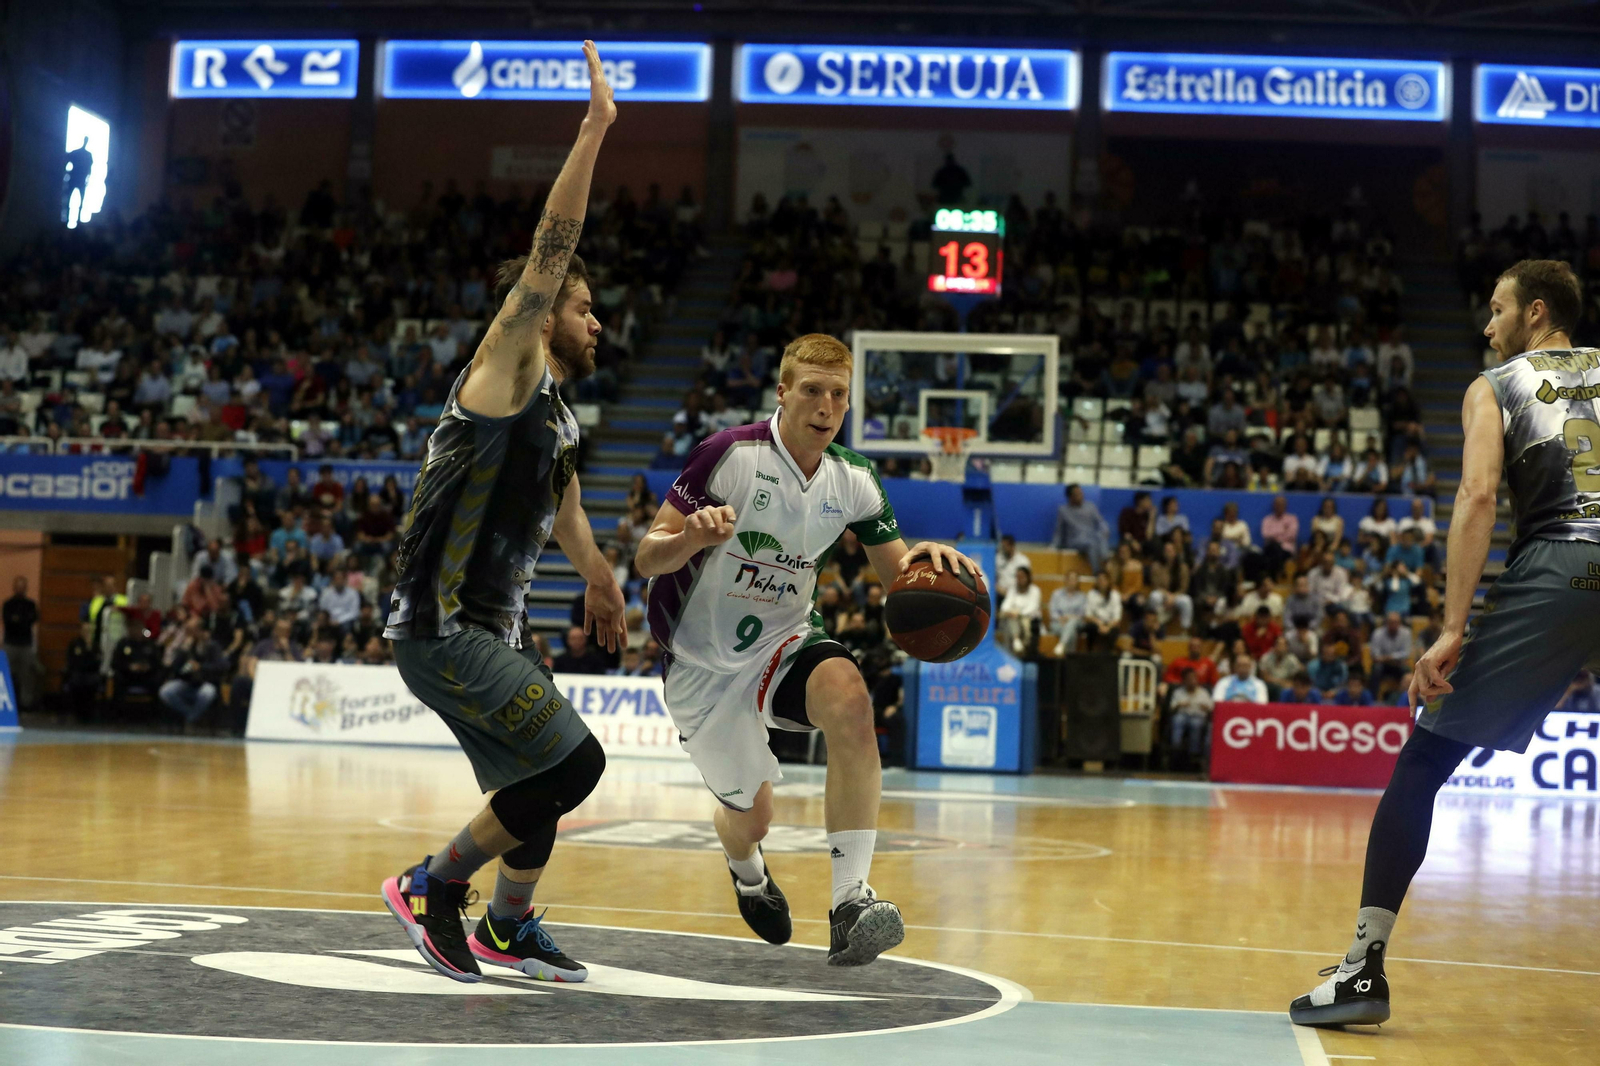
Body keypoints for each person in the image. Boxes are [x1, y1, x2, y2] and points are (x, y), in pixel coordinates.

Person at [1291, 260, 1600, 1027]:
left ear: (1535, 313)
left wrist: (1453, 625)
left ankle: (1363, 972)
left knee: (1425, 758)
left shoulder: (1495, 386)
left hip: (1565, 558)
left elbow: (1479, 495)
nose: (1486, 326)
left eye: (1496, 311)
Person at [380, 45, 626, 988]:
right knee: (575, 766)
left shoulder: (557, 412)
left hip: (497, 625)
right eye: (585, 307)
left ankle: (509, 926)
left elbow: (562, 503)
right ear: (540, 313)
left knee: (535, 787)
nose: (597, 321)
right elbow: (551, 245)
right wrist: (593, 133)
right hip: (442, 623)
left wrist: (599, 577)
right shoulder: (507, 363)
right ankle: (433, 886)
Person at [636, 331, 979, 967]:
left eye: (839, 396)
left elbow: (896, 580)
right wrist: (688, 539)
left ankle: (851, 901)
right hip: (702, 668)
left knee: (849, 696)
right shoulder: (728, 455)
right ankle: (748, 871)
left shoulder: (854, 480)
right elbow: (647, 553)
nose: (826, 406)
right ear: (784, 393)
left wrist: (930, 570)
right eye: (813, 392)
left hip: (784, 640)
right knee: (753, 818)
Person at [2, 576, 39, 713]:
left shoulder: (30, 604)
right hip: (10, 643)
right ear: (14, 587)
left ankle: (26, 704)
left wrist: (19, 620)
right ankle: (6, 703)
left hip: (25, 644)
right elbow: (9, 622)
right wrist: (21, 621)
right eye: (18, 586)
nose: (20, 588)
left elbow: (32, 620)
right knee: (6, 674)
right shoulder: (8, 604)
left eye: (23, 586)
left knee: (27, 675)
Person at [1053, 484, 1110, 573]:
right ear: (1070, 497)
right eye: (1077, 494)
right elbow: (1059, 531)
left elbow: (1101, 522)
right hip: (1074, 541)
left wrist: (1104, 529)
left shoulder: (1090, 506)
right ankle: (1097, 572)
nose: (1081, 496)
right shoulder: (1063, 510)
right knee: (1092, 544)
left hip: (1091, 537)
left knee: (1100, 535)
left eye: (1081, 493)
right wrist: (1054, 546)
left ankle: (1105, 559)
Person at [1166, 669, 1214, 767]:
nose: (1192, 681)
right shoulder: (1178, 692)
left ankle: (1194, 754)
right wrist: (1179, 705)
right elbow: (1171, 708)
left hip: (1198, 716)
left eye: (1194, 679)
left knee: (1195, 724)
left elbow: (1211, 709)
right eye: (1189, 679)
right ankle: (1176, 747)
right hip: (1182, 715)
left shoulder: (1203, 692)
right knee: (1177, 720)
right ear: (1184, 681)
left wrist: (1206, 708)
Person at [998, 566, 1041, 656]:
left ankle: (1016, 641)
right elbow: (1005, 606)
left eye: (1022, 577)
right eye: (1017, 577)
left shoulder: (1035, 590)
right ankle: (1015, 641)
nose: (1019, 579)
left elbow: (1032, 607)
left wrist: (1018, 613)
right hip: (1013, 619)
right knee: (1009, 619)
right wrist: (1012, 612)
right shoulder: (1013, 589)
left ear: (1028, 577)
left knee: (1012, 619)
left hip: (1030, 621)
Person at [1048, 578, 1088, 655]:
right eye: (1070, 579)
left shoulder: (1082, 596)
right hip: (1058, 623)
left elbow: (1082, 614)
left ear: (1077, 582)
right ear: (1066, 581)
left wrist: (1069, 618)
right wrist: (1060, 618)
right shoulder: (1056, 594)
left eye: (1074, 579)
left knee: (1072, 622)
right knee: (1072, 632)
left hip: (1077, 623)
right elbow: (1052, 611)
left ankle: (1062, 644)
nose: (1072, 582)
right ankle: (1070, 662)